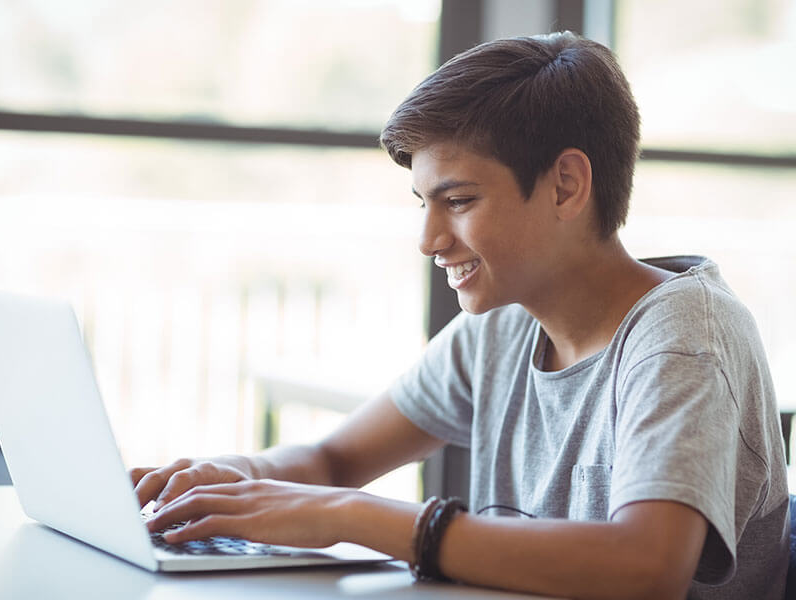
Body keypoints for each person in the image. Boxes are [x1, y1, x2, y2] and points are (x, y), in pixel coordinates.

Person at [134, 32, 789, 599]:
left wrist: (355, 518)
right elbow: (333, 461)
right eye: (422, 202)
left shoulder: (682, 341)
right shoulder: (503, 327)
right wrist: (231, 479)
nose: (428, 239)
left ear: (566, 185)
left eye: (459, 200)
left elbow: (649, 568)